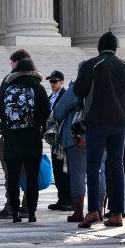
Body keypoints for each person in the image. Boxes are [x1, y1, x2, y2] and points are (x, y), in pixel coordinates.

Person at [74, 31, 125, 229]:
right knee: (116, 166)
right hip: (120, 123)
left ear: (99, 47)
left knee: (93, 165)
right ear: (115, 48)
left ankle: (93, 211)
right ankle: (117, 212)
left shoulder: (93, 64)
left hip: (97, 122)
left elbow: (78, 91)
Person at [0, 53, 50, 223]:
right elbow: (46, 113)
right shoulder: (38, 87)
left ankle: (14, 212)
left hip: (12, 138)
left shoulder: (8, 85)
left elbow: (0, 110)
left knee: (12, 177)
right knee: (31, 178)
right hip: (32, 138)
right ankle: (32, 212)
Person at [47, 75, 88, 222]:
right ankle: (98, 209)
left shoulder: (74, 89)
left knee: (76, 173)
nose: (52, 84)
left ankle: (77, 208)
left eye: (54, 81)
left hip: (78, 137)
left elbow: (58, 112)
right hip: (102, 135)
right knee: (99, 172)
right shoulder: (104, 85)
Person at [44, 71, 70, 210]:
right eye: (51, 82)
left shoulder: (65, 96)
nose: (52, 84)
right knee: (57, 169)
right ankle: (61, 198)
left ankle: (69, 200)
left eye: (55, 81)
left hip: (63, 137)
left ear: (62, 82)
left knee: (65, 170)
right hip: (54, 138)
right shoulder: (50, 98)